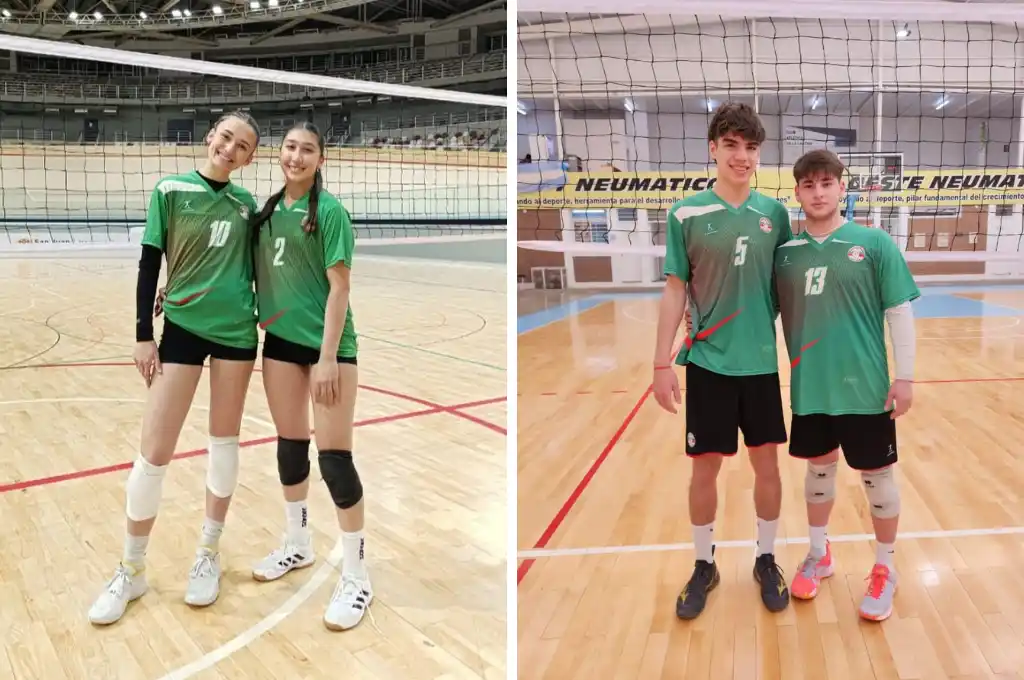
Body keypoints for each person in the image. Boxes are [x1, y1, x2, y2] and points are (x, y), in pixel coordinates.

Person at [88, 110, 262, 625]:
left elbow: (252, 267)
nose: (230, 149)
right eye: (226, 137)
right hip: (181, 330)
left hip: (235, 332)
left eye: (243, 146)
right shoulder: (169, 190)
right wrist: (143, 333)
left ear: (249, 160)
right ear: (211, 137)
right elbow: (149, 262)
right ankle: (131, 567)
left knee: (223, 441)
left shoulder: (247, 204)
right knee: (154, 452)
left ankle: (207, 553)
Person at [653, 102, 794, 620]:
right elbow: (673, 290)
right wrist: (659, 365)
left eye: (751, 147)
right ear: (712, 149)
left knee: (767, 467)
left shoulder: (775, 215)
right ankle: (703, 563)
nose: (742, 156)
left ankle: (765, 557)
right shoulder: (685, 214)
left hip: (758, 365)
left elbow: (789, 286)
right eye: (731, 145)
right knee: (704, 470)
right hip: (709, 366)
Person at [775, 149, 918, 622]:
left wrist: (905, 376)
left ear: (842, 187)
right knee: (818, 471)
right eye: (808, 185)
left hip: (866, 388)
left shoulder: (874, 244)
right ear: (796, 192)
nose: (818, 192)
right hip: (812, 387)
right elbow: (759, 309)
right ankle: (820, 555)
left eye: (826, 183)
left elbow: (899, 311)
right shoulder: (786, 255)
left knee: (878, 479)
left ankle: (885, 569)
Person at [247, 121, 371, 631]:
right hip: (279, 346)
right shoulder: (268, 214)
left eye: (308, 150)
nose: (297, 156)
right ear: (280, 154)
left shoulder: (331, 213)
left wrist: (325, 358)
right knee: (290, 447)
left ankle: (358, 575)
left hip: (328, 350)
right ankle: (297, 544)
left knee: (335, 460)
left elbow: (338, 290)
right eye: (291, 147)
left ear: (322, 159)